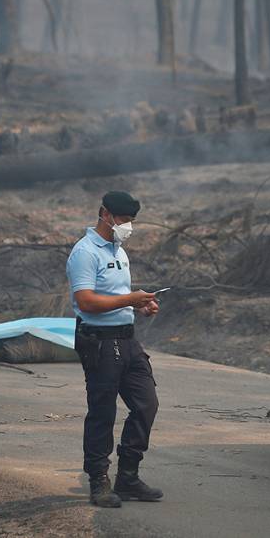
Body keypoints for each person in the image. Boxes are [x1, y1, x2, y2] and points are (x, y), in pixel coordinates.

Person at [65, 191, 163, 508]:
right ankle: (99, 481)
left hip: (127, 339)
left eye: (131, 221)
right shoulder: (85, 252)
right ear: (105, 214)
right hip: (99, 342)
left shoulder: (119, 251)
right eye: (123, 220)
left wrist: (140, 307)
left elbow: (116, 297)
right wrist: (130, 299)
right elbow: (86, 301)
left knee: (146, 403)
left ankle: (128, 476)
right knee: (103, 411)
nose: (127, 226)